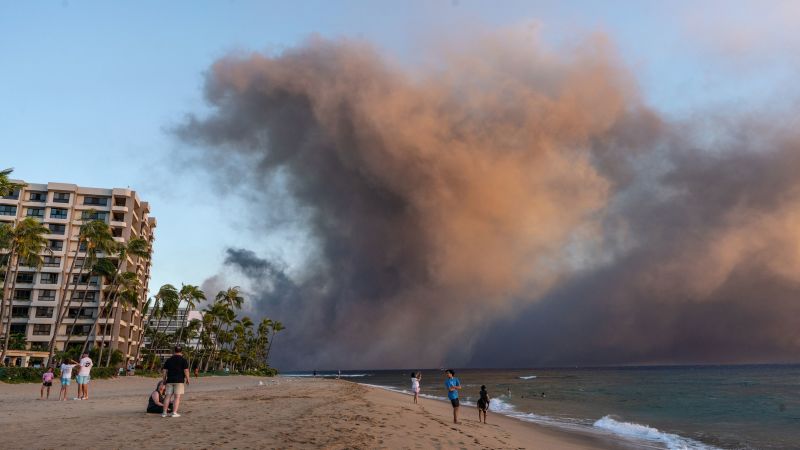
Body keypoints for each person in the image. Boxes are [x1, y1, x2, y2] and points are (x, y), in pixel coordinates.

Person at [161, 345, 190, 417]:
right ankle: (174, 412)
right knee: (177, 397)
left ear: (174, 351)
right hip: (179, 380)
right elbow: (186, 370)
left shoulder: (169, 360)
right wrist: (188, 379)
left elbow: (164, 371)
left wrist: (164, 379)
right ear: (181, 351)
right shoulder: (183, 360)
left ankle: (164, 413)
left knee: (168, 396)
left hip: (170, 380)